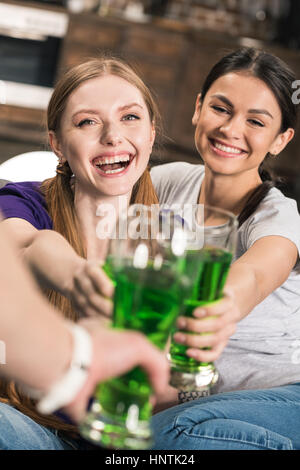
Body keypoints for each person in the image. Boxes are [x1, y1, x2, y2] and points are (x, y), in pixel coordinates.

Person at [0, 56, 162, 449]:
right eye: (88, 121)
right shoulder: (22, 201)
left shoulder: (172, 240)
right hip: (25, 425)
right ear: (56, 142)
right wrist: (77, 275)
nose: (112, 136)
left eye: (130, 117)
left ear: (152, 133)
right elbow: (25, 246)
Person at [150, 47, 300, 450]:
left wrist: (212, 311)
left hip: (282, 399)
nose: (232, 129)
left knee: (167, 435)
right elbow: (86, 204)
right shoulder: (167, 183)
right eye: (221, 108)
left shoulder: (278, 218)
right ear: (198, 107)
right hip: (192, 405)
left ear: (280, 140)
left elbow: (253, 275)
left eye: (255, 121)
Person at [0, 222, 169, 449]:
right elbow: (25, 246)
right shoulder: (29, 204)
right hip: (33, 421)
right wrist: (75, 275)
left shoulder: (164, 235)